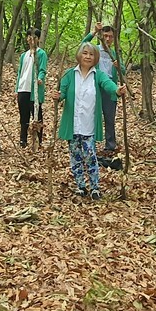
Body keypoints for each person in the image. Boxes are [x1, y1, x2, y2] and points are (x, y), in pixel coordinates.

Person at [55, 42, 124, 200]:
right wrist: (58, 96)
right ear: (79, 55)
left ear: (96, 58)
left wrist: (117, 90)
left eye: (91, 54)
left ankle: (94, 187)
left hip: (89, 125)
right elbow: (63, 92)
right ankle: (80, 186)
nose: (87, 56)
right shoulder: (69, 74)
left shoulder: (98, 75)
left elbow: (108, 85)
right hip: (73, 124)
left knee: (90, 155)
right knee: (75, 156)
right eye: (85, 53)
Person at [81, 22, 121, 156]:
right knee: (92, 116)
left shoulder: (115, 53)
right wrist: (93, 32)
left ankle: (110, 146)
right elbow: (83, 44)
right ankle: (89, 143)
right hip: (96, 87)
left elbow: (124, 71)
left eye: (110, 36)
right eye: (105, 36)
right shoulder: (94, 50)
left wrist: (118, 66)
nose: (108, 39)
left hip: (110, 89)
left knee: (109, 118)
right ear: (101, 37)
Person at [16, 28, 48, 147]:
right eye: (29, 37)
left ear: (38, 39)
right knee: (23, 116)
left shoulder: (41, 53)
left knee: (37, 115)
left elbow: (42, 69)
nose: (31, 39)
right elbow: (20, 72)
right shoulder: (23, 55)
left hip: (34, 89)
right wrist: (16, 89)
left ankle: (39, 141)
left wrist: (40, 78)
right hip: (22, 88)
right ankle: (23, 140)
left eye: (34, 37)